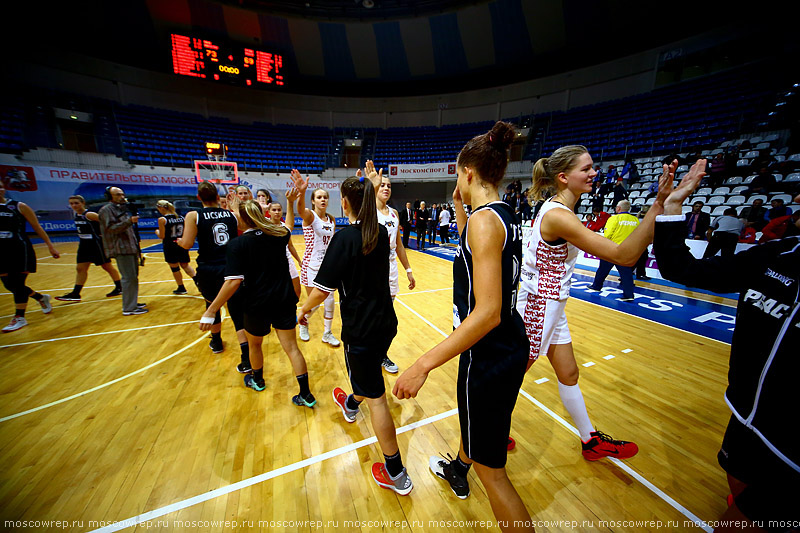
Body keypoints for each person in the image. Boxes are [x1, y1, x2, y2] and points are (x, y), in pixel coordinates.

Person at [394, 122, 534, 532]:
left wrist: (422, 364)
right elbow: (477, 259)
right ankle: (458, 467)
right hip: (506, 344)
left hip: (489, 352)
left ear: (468, 172)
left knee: (492, 472)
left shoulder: (484, 222)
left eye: (458, 174)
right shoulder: (499, 215)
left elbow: (487, 311)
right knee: (481, 448)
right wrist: (460, 208)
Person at [517, 145, 690, 464]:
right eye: (586, 169)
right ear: (563, 177)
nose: (594, 173)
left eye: (592, 167)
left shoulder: (559, 208)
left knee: (568, 373)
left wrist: (663, 203)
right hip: (538, 305)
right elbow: (625, 256)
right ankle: (481, 433)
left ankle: (590, 440)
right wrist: (661, 202)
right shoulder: (558, 216)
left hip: (552, 301)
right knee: (511, 376)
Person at [653, 172, 799, 533]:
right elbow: (681, 268)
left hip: (791, 443)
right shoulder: (776, 255)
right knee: (735, 475)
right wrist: (673, 206)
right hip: (745, 413)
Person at [299, 172, 413, 497]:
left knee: (377, 400)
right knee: (366, 378)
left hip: (361, 329)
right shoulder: (379, 231)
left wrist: (302, 310)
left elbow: (321, 290)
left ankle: (396, 472)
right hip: (385, 323)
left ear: (344, 203)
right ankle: (350, 402)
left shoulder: (345, 238)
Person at [200, 200, 316, 405]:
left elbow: (233, 281)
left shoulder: (237, 244)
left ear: (242, 219)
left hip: (256, 304)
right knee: (292, 348)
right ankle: (306, 394)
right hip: (283, 300)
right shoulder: (280, 235)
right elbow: (288, 226)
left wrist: (211, 309)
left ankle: (258, 380)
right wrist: (289, 203)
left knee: (254, 345)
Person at [179, 182, 248, 370]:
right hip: (231, 267)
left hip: (208, 268)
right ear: (218, 197)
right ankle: (246, 357)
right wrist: (235, 209)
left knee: (212, 304)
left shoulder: (193, 215)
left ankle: (216, 341)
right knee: (237, 311)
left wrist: (179, 241)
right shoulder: (231, 215)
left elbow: (186, 244)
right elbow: (243, 228)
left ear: (199, 198)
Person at [360, 161, 416, 374]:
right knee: (372, 316)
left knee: (387, 319)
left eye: (389, 185)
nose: (386, 188)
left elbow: (399, 244)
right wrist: (369, 185)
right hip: (372, 271)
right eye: (382, 185)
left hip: (391, 271)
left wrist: (408, 270)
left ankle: (381, 354)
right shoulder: (368, 211)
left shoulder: (394, 213)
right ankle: (368, 353)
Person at [0, 183, 59, 332]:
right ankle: (40, 298)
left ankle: (19, 317)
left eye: (0, 186)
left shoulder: (18, 206)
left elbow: (37, 226)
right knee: (9, 285)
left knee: (18, 283)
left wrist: (50, 245)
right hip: (1, 251)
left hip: (20, 249)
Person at [293, 172, 339, 347]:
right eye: (319, 197)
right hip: (311, 266)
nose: (322, 200)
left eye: (325, 197)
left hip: (327, 267)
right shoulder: (310, 216)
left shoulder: (332, 220)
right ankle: (303, 321)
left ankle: (327, 333)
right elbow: (300, 210)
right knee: (315, 304)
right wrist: (302, 192)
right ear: (313, 200)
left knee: (329, 302)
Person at [56, 195, 122, 302]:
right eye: (72, 203)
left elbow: (107, 223)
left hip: (95, 244)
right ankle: (76, 293)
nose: (74, 205)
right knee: (80, 269)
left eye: (76, 203)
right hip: (83, 245)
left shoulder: (89, 214)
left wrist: (104, 236)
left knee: (107, 266)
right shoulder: (76, 215)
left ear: (83, 203)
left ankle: (119, 287)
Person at [98, 187, 146, 316]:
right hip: (121, 248)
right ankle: (129, 308)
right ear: (110, 196)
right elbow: (110, 229)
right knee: (128, 278)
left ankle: (132, 302)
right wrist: (129, 221)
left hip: (130, 247)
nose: (122, 197)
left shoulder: (122, 209)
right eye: (118, 195)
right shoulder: (106, 210)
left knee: (132, 278)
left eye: (122, 194)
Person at [588, 200, 640, 301]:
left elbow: (607, 235)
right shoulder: (635, 220)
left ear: (619, 208)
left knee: (602, 269)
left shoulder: (614, 218)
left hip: (612, 249)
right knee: (626, 274)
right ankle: (629, 295)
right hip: (627, 250)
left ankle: (596, 286)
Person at [154, 200, 196, 295]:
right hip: (181, 243)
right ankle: (198, 282)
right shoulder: (181, 218)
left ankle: (181, 287)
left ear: (161, 208)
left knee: (174, 267)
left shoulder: (162, 220)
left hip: (170, 246)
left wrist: (156, 232)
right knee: (185, 265)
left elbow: (162, 236)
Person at [268, 197, 302, 299]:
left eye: (279, 210)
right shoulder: (264, 226)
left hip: (287, 260)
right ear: (269, 212)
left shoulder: (284, 227)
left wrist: (299, 261)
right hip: (271, 262)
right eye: (274, 210)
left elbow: (290, 245)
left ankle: (293, 309)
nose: (277, 212)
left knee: (297, 290)